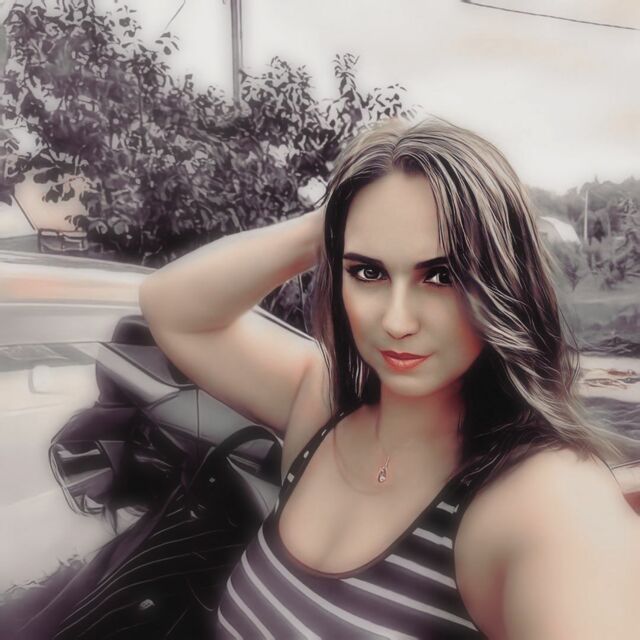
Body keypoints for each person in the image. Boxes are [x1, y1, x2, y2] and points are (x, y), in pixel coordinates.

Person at [138, 117, 640, 639]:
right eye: (368, 272)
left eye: (442, 275)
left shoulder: (548, 500)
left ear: (505, 284)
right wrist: (338, 217)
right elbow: (170, 306)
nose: (397, 321)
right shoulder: (324, 404)